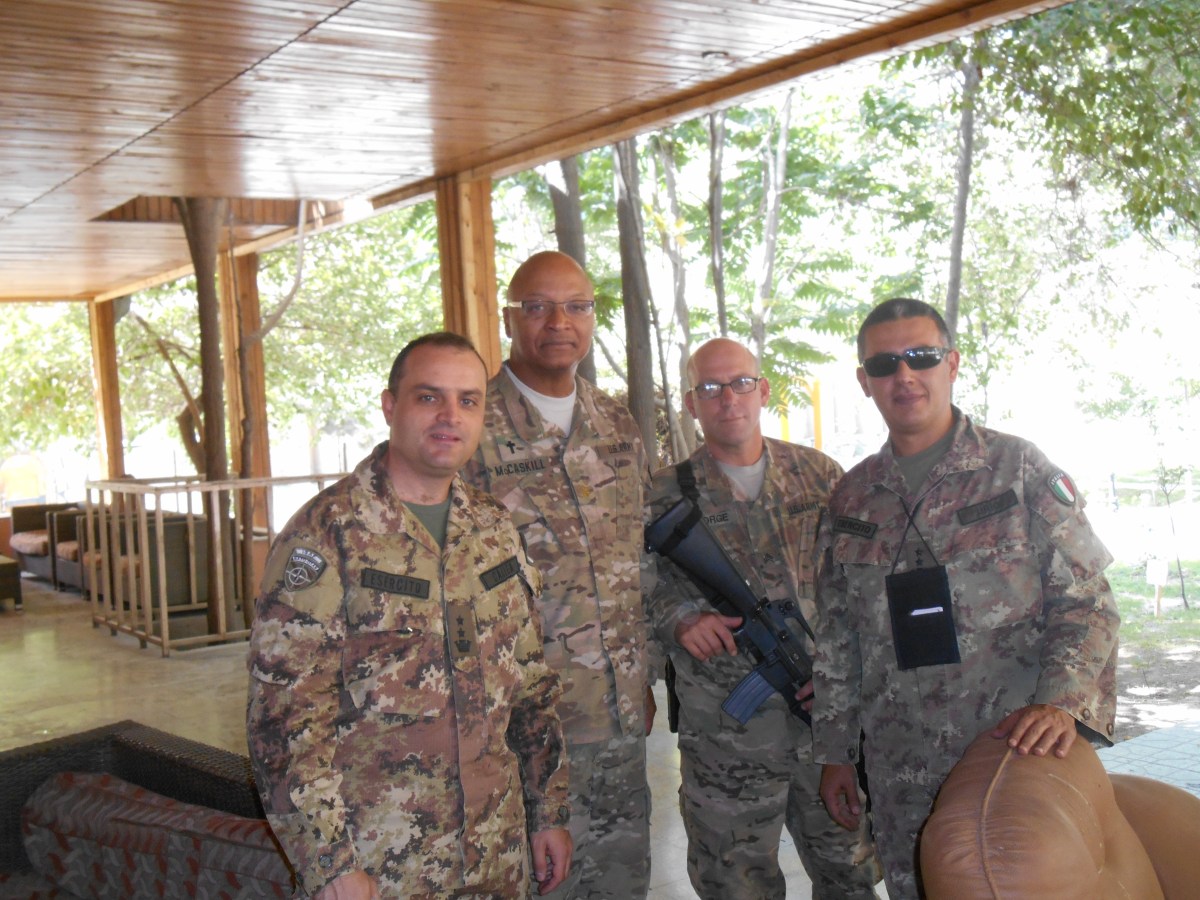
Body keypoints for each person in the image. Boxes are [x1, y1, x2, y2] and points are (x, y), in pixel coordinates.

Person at [812, 298, 1120, 900]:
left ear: (951, 364)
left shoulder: (1017, 469)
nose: (904, 375)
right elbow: (837, 638)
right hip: (899, 766)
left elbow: (1087, 600)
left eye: (921, 356)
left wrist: (1060, 705)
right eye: (884, 364)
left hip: (1011, 750)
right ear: (864, 381)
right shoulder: (851, 498)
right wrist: (836, 753)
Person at [246, 332, 571, 899]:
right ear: (390, 406)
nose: (450, 416)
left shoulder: (493, 529)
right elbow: (285, 718)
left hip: (497, 854)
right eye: (429, 397)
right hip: (379, 868)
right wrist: (330, 865)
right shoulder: (327, 534)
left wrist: (549, 810)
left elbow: (529, 685)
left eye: (468, 400)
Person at [644, 337, 880, 900]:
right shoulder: (661, 495)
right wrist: (679, 618)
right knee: (736, 886)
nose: (728, 398)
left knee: (850, 876)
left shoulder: (820, 475)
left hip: (824, 725)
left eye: (741, 383)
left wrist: (848, 687)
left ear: (763, 390)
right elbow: (629, 585)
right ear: (690, 403)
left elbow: (861, 588)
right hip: (725, 738)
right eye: (710, 387)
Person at [464, 251, 655, 900]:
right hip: (520, 726)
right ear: (509, 319)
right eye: (538, 307)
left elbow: (637, 558)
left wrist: (642, 676)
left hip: (617, 716)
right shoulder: (472, 427)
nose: (558, 322)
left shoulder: (616, 423)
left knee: (622, 882)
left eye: (576, 306)